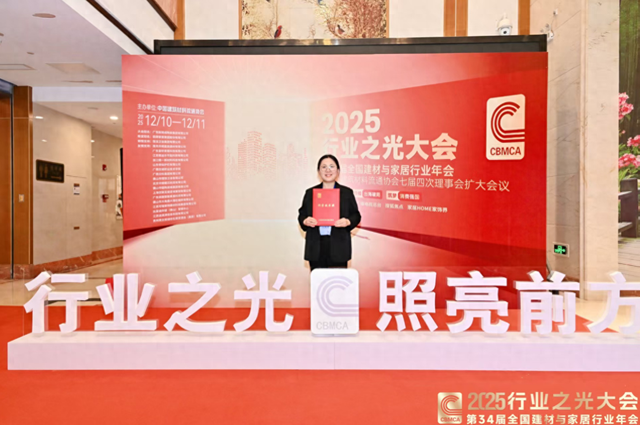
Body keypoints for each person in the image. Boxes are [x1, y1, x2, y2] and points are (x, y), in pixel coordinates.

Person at [298, 154, 361, 270]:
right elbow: (302, 214)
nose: (328, 170)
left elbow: (356, 215)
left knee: (338, 280)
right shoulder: (310, 193)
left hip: (339, 246)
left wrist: (348, 221)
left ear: (338, 171)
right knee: (318, 280)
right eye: (324, 167)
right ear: (318, 171)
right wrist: (305, 220)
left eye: (332, 166)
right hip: (316, 246)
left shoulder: (346, 193)